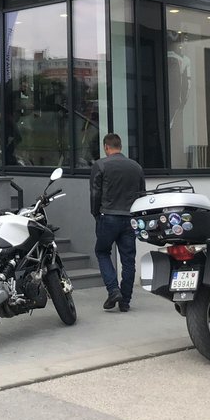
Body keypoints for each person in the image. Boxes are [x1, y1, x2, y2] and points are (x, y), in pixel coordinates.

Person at [90, 132, 146, 312]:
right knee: (128, 260)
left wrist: (96, 214)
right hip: (130, 217)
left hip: (108, 215)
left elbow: (95, 193)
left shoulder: (100, 165)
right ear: (120, 147)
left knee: (102, 252)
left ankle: (114, 290)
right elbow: (142, 195)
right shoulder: (136, 167)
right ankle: (125, 301)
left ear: (106, 147)